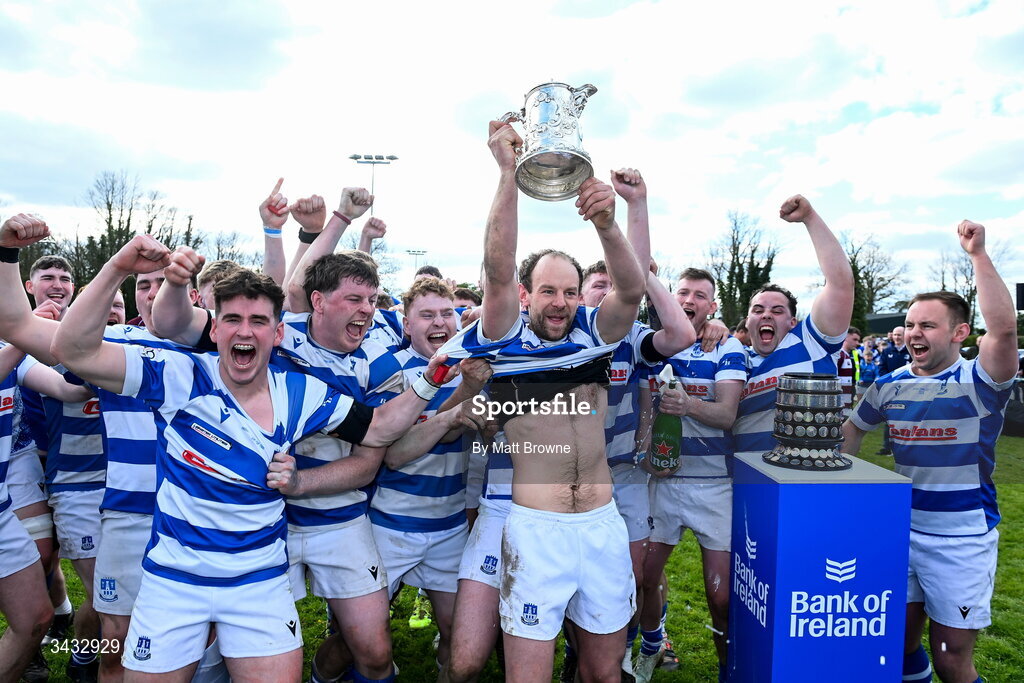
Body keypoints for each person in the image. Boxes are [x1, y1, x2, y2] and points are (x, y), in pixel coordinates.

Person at [439, 120, 646, 683]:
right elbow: (496, 268)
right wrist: (508, 172)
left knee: (604, 674)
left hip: (603, 526)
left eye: (570, 291)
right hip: (534, 529)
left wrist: (607, 224)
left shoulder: (592, 334)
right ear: (528, 293)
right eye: (548, 290)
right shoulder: (503, 336)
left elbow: (630, 288)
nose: (560, 303)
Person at [842, 220, 1017, 683]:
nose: (913, 332)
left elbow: (1002, 330)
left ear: (960, 332)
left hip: (961, 538)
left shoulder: (978, 381)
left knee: (951, 659)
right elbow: (851, 434)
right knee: (897, 645)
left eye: (927, 325)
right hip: (901, 529)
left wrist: (978, 255)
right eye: (909, 324)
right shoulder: (888, 384)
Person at [635, 268, 747, 683]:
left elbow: (727, 413)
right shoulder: (653, 345)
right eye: (683, 292)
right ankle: (653, 644)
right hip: (661, 482)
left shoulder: (727, 346)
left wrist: (690, 407)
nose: (691, 300)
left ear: (712, 306)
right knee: (644, 578)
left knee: (720, 596)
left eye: (701, 295)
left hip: (714, 486)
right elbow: (645, 407)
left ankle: (728, 668)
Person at [732, 195, 854, 460]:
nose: (766, 315)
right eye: (758, 310)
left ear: (792, 322)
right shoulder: (734, 359)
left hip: (807, 478)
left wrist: (810, 217)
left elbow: (840, 284)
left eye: (777, 310)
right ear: (748, 321)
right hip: (746, 478)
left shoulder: (811, 341)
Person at [876, 325, 912, 455]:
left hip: (909, 391)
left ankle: (905, 448)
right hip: (891, 390)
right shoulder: (886, 351)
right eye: (895, 334)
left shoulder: (911, 351)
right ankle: (887, 447)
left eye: (899, 335)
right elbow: (882, 369)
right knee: (890, 418)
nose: (897, 337)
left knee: (908, 419)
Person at [837, 326, 862, 416]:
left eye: (858, 340)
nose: (857, 343)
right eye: (854, 339)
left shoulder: (848, 354)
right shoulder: (840, 354)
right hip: (840, 403)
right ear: (845, 337)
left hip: (847, 397)